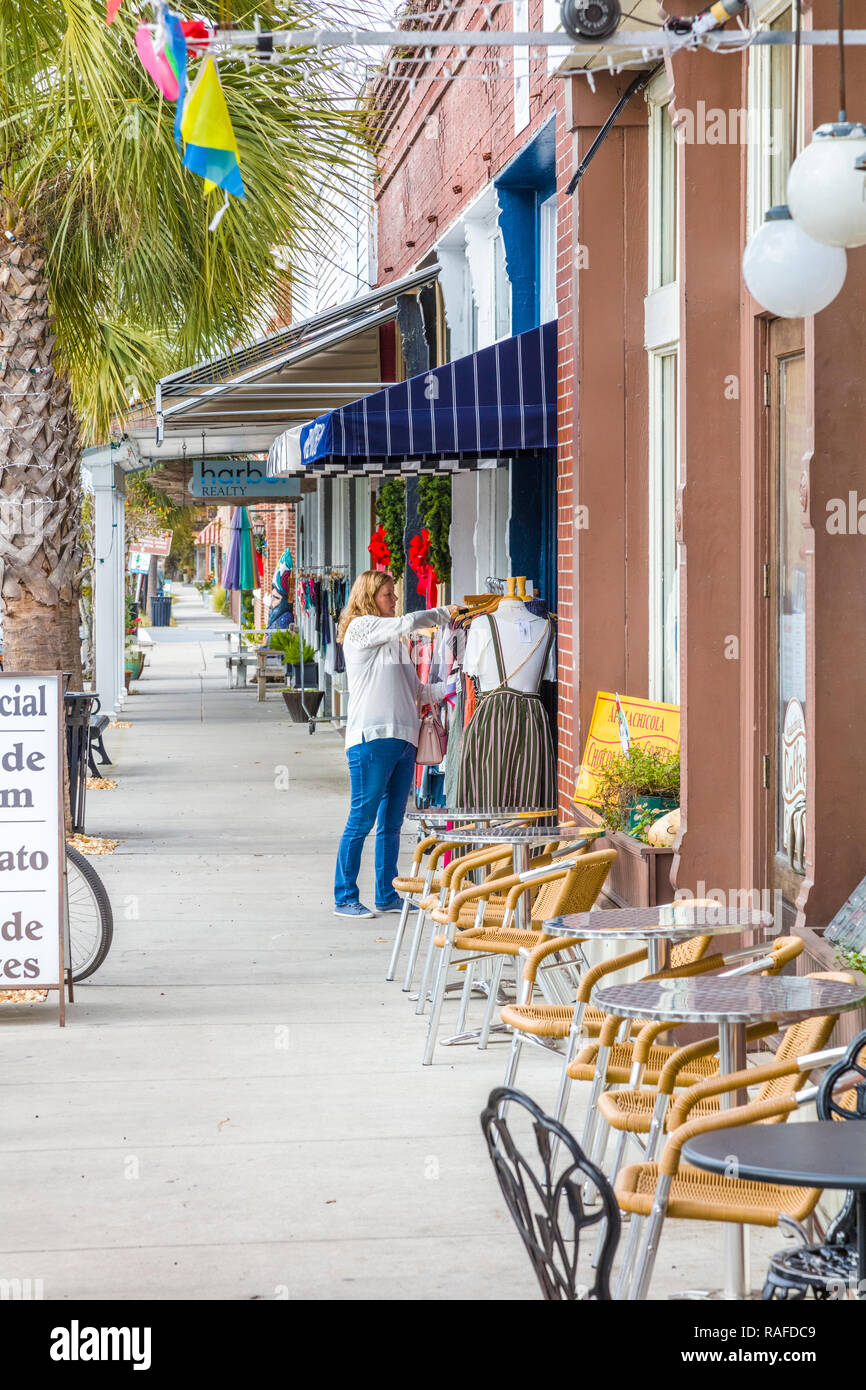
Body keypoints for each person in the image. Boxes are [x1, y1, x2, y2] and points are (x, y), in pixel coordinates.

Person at [334, 570, 457, 919]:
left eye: (394, 593)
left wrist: (453, 686)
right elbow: (409, 621)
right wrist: (445, 613)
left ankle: (386, 894)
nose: (395, 599)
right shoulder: (361, 629)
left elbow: (417, 692)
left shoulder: (395, 644)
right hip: (372, 739)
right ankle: (344, 897)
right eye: (389, 593)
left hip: (404, 739)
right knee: (362, 820)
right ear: (370, 597)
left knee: (391, 823)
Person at [267, 547, 294, 629]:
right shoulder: (275, 616)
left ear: (284, 600)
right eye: (272, 596)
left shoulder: (286, 617)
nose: (271, 601)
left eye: (276, 598)